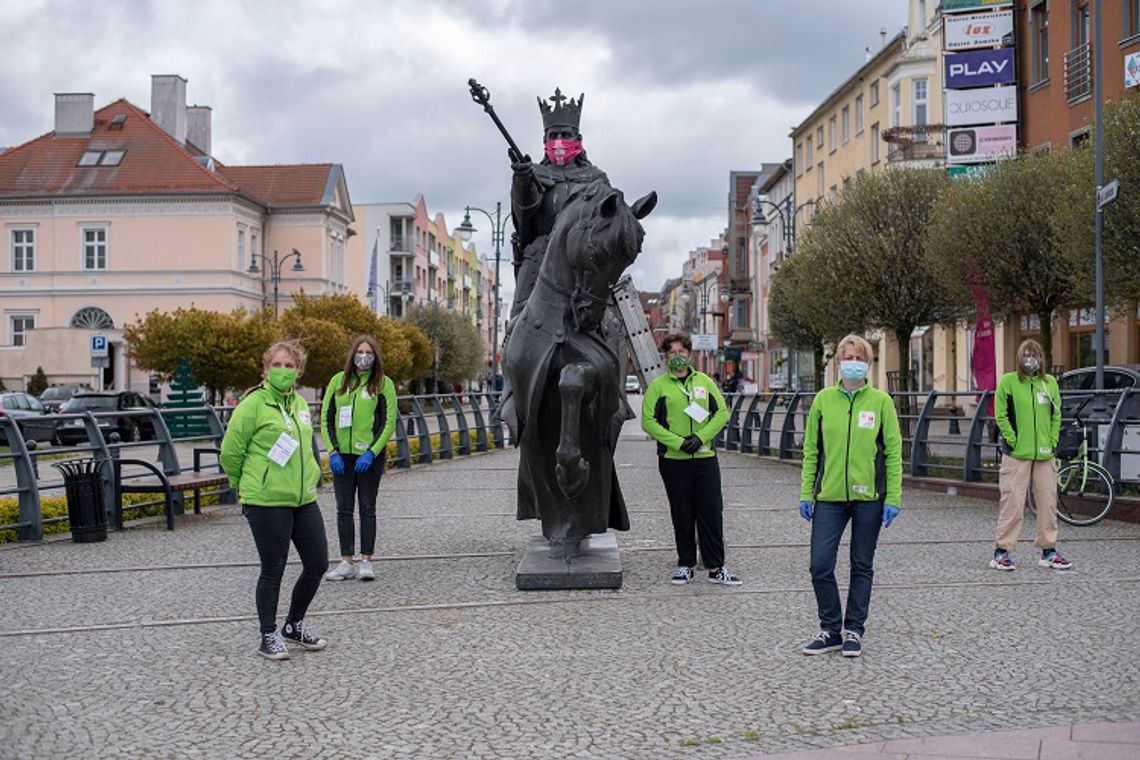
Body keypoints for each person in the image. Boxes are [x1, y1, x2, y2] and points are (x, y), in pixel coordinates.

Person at [220, 340, 328, 660]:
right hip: (266, 500)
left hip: (302, 498)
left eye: (289, 366)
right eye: (276, 365)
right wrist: (244, 487)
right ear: (265, 369)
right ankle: (268, 634)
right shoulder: (253, 404)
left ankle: (293, 625)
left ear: (299, 372)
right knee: (273, 567)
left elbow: (306, 446)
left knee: (318, 563)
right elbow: (231, 451)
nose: (283, 371)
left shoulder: (299, 405)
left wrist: (312, 476)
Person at [798, 334, 901, 658]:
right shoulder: (823, 401)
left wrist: (893, 497)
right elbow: (811, 450)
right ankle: (830, 629)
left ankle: (853, 629)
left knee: (861, 564)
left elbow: (894, 453)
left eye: (858, 358)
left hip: (869, 498)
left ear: (867, 364)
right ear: (838, 362)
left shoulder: (881, 402)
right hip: (829, 497)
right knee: (820, 565)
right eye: (847, 357)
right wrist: (806, 492)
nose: (852, 363)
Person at [642, 331, 742, 587]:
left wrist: (700, 437)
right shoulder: (658, 386)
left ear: (690, 354)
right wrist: (677, 442)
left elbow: (721, 412)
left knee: (710, 512)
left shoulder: (705, 382)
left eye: (682, 352)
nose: (677, 357)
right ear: (665, 356)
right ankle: (685, 564)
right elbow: (648, 422)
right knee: (682, 512)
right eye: (672, 353)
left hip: (704, 457)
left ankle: (715, 566)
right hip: (673, 460)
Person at [507, 87, 608, 319]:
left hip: (584, 259)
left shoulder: (597, 179)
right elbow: (524, 217)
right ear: (545, 140)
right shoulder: (534, 175)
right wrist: (523, 182)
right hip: (540, 256)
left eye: (565, 134)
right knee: (519, 318)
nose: (559, 141)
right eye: (553, 136)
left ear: (578, 139)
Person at [321, 335, 398, 582]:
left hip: (369, 458)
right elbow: (326, 418)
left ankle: (366, 560)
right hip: (342, 457)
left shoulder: (383, 384)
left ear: (375, 357)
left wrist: (371, 452)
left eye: (369, 352)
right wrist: (332, 451)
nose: (363, 356)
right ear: (352, 353)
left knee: (367, 507)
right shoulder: (338, 381)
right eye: (360, 351)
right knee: (343, 509)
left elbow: (388, 422)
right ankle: (346, 561)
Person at [991, 338, 1070, 572]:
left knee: (1048, 502)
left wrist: (1053, 440)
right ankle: (1001, 551)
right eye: (1026, 354)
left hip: (1045, 454)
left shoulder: (1049, 383)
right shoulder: (1008, 382)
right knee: (1012, 502)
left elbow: (1056, 415)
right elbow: (1001, 414)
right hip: (1017, 454)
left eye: (1034, 354)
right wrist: (1012, 439)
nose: (1030, 358)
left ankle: (1049, 550)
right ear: (1019, 357)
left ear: (1041, 358)